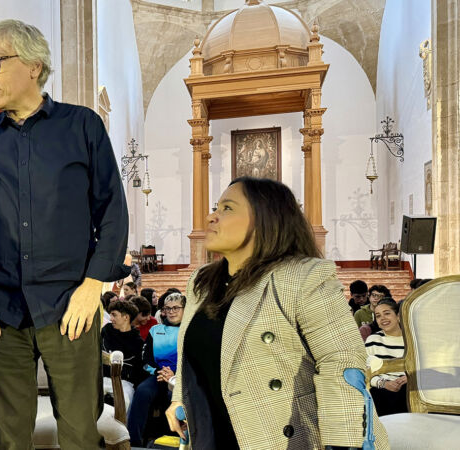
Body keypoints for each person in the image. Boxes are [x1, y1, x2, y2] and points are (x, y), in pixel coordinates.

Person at [0, 19, 129, 449]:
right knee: (10, 439)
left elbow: (113, 213)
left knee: (79, 434)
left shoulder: (83, 126)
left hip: (71, 307)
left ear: (33, 65)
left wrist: (92, 287)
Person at [166, 177, 390, 449]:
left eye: (227, 208)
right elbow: (190, 354)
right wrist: (180, 396)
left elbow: (341, 361)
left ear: (265, 219)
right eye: (216, 207)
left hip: (282, 436)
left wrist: (344, 442)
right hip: (213, 431)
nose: (211, 217)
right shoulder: (201, 281)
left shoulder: (303, 276)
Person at [127, 293, 185, 445]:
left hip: (182, 377)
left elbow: (192, 359)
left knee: (171, 394)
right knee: (142, 391)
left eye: (176, 308)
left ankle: (173, 441)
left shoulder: (190, 330)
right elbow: (145, 359)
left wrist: (174, 375)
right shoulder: (155, 330)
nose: (171, 311)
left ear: (185, 309)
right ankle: (134, 443)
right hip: (158, 375)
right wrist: (158, 372)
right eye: (167, 308)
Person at [365, 298, 407, 416]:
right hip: (381, 388)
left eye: (387, 313)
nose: (382, 318)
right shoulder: (372, 340)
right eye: (378, 316)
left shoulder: (412, 338)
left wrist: (411, 377)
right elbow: (365, 371)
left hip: (409, 386)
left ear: (398, 316)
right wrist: (383, 383)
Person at [102, 300, 144, 412]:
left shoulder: (137, 342)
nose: (111, 318)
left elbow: (138, 369)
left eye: (114, 315)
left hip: (124, 382)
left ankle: (122, 429)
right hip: (101, 378)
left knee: (125, 400)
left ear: (126, 317)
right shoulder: (106, 330)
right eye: (110, 314)